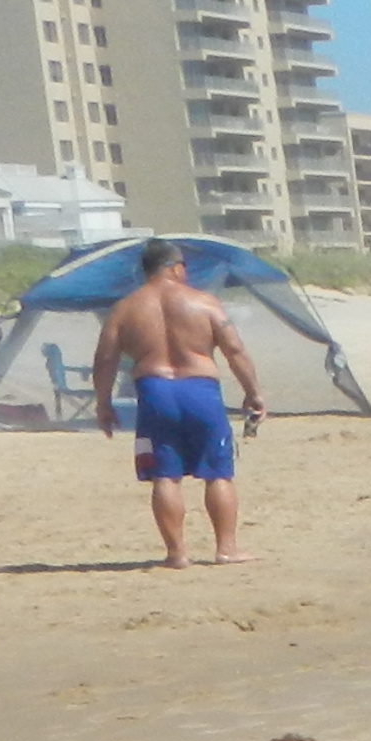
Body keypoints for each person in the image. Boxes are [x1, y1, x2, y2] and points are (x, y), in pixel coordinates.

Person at [87, 240, 264, 567]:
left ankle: (177, 554)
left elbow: (105, 360)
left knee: (165, 475)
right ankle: (226, 549)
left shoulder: (124, 309)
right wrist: (253, 393)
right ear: (175, 268)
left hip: (154, 391)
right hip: (200, 390)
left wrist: (103, 403)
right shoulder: (204, 303)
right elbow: (235, 350)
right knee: (218, 473)